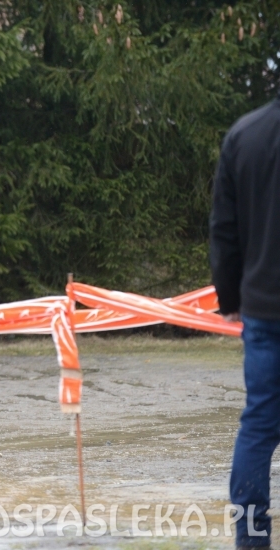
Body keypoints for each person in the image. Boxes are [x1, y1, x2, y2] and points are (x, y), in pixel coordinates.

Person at [210, 92, 280, 550]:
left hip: (263, 310)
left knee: (258, 426)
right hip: (261, 309)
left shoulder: (244, 135)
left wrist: (230, 297)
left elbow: (224, 227)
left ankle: (250, 538)